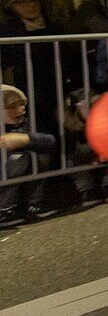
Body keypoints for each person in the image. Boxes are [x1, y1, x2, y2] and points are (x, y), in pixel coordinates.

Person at [0, 0, 72, 139]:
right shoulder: (7, 30)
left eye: (33, 0)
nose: (30, 5)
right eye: (21, 3)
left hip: (56, 84)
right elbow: (9, 63)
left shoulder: (55, 25)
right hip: (25, 85)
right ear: (10, 7)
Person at [0, 85, 57, 229]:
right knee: (18, 159)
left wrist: (25, 139)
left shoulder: (25, 123)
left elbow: (50, 141)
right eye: (12, 106)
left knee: (40, 155)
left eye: (22, 105)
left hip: (17, 183)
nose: (21, 109)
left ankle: (34, 203)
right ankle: (4, 209)